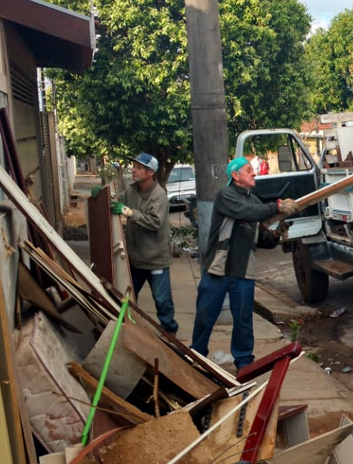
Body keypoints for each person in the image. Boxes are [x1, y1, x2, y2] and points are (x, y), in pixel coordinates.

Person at [190, 157, 299, 371]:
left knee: (243, 321)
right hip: (218, 269)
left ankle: (244, 363)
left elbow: (260, 238)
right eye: (249, 170)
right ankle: (197, 355)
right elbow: (245, 213)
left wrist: (277, 233)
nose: (254, 173)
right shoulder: (226, 195)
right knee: (205, 314)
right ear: (235, 175)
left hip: (242, 271)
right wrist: (277, 205)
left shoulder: (255, 202)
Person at [112, 152, 179, 334]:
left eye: (139, 168)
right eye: (134, 166)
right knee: (128, 297)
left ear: (150, 172)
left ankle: (169, 333)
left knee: (162, 301)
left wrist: (129, 212)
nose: (134, 170)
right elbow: (117, 200)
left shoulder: (158, 194)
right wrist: (102, 197)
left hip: (156, 259)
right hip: (135, 258)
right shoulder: (132, 191)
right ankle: (130, 329)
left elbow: (154, 222)